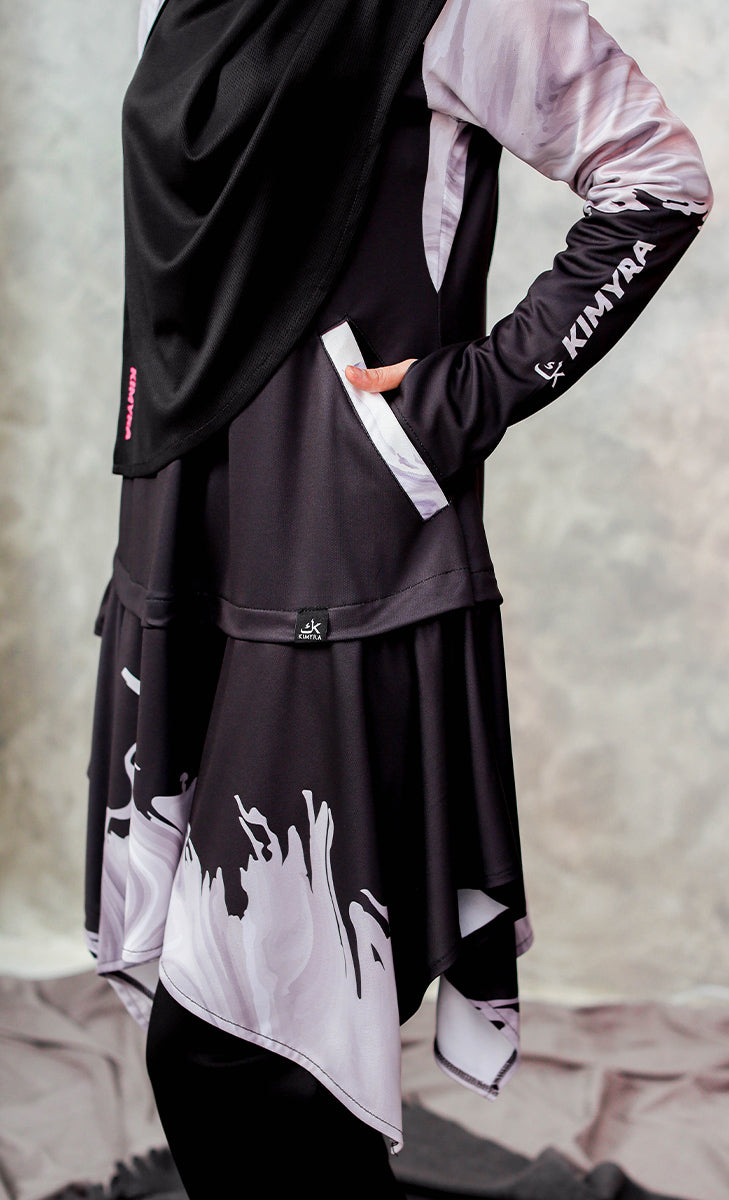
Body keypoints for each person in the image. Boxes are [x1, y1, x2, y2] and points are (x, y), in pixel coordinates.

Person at [83, 0, 712, 1194]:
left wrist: (471, 394)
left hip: (339, 568)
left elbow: (658, 181)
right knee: (237, 1046)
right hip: (191, 546)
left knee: (238, 1050)